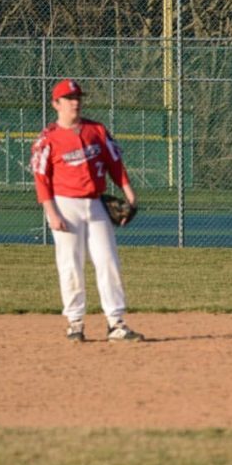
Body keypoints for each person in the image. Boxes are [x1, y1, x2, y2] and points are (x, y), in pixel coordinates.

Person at [30, 78, 143, 342]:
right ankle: (75, 323)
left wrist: (130, 196)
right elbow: (40, 177)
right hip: (64, 205)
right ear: (56, 104)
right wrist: (51, 212)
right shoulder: (48, 138)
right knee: (70, 264)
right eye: (69, 98)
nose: (75, 102)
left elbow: (115, 163)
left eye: (78, 97)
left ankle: (116, 323)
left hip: (96, 203)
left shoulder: (97, 130)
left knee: (108, 261)